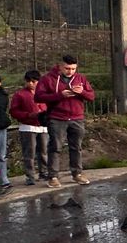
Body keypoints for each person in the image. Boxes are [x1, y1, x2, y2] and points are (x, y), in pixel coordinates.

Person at [34, 55, 96, 188]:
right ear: (60, 66)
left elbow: (91, 96)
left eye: (73, 69)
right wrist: (59, 95)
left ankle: (77, 173)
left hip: (77, 117)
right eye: (67, 68)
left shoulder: (80, 79)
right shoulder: (47, 79)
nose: (70, 71)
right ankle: (53, 176)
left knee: (76, 147)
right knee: (55, 147)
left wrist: (82, 92)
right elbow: (38, 97)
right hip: (57, 118)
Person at [10, 70, 49, 185]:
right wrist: (28, 115)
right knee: (29, 153)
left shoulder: (44, 93)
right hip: (28, 127)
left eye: (33, 81)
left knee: (44, 151)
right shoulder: (20, 94)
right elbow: (14, 111)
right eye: (28, 81)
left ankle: (44, 173)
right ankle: (30, 176)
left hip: (43, 126)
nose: (31, 84)